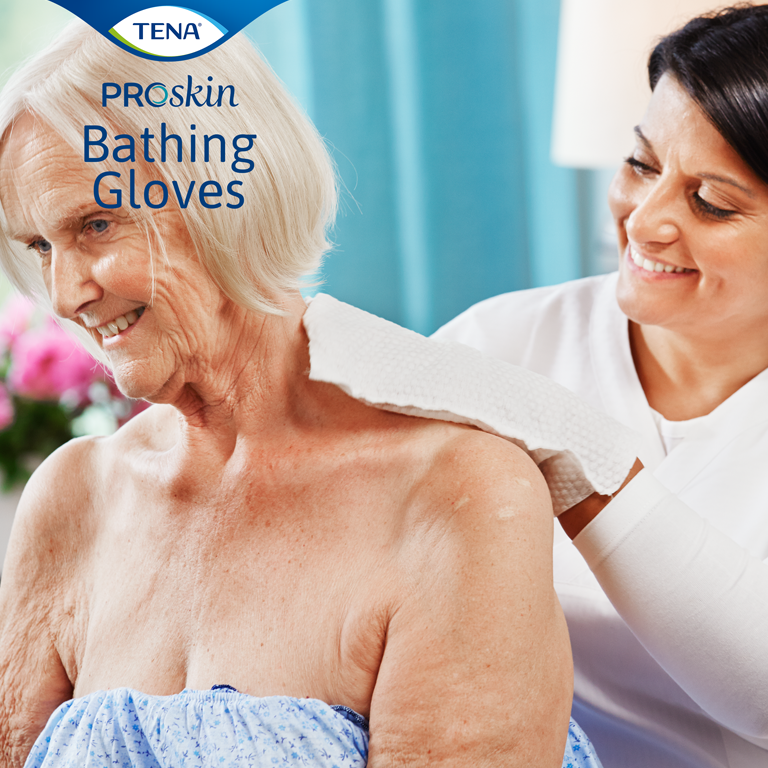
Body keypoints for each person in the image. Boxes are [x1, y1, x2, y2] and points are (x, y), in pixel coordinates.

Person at [0, 20, 613, 768]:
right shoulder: (71, 496)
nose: (63, 294)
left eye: (96, 225)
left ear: (227, 200)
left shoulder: (458, 492)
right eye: (38, 246)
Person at [435, 5, 768, 767]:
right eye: (643, 165)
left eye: (711, 202)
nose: (643, 221)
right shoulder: (501, 341)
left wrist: (568, 446)